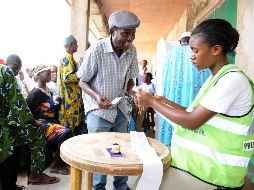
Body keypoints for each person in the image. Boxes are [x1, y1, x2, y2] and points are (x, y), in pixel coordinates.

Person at [137, 19, 254, 189]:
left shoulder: (232, 80)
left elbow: (192, 120)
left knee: (144, 182)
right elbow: (192, 112)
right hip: (200, 167)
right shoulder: (216, 78)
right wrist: (161, 101)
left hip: (216, 173)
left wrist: (152, 103)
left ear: (216, 49)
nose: (191, 56)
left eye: (196, 50)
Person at [77, 10, 140, 190]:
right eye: (125, 33)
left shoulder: (131, 50)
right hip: (99, 111)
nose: (130, 38)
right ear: (112, 30)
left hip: (120, 109)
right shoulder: (96, 50)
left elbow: (131, 80)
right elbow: (82, 81)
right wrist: (97, 97)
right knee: (100, 153)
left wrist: (130, 93)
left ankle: (120, 185)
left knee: (119, 150)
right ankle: (99, 188)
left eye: (133, 34)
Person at [0, 63, 59, 190]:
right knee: (35, 135)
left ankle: (11, 184)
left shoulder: (48, 89)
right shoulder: (4, 72)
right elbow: (19, 106)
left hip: (13, 123)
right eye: (16, 69)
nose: (16, 72)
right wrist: (35, 122)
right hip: (7, 126)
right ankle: (35, 175)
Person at [159, 31, 211, 147]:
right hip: (195, 100)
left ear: (179, 41)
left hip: (172, 98)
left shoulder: (170, 54)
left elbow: (165, 79)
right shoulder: (198, 53)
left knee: (173, 120)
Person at [26, 64, 70, 175]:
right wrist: (36, 123)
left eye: (50, 73)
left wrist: (57, 102)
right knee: (65, 132)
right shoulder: (35, 93)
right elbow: (26, 113)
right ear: (39, 76)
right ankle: (55, 165)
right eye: (47, 74)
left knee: (67, 133)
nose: (50, 75)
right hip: (42, 126)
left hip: (49, 123)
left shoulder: (48, 90)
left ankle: (59, 162)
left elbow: (50, 109)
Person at [58, 35, 82, 134]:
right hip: (70, 101)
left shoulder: (67, 58)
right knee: (71, 130)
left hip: (70, 100)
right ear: (71, 45)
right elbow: (67, 77)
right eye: (76, 44)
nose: (77, 46)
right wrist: (82, 75)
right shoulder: (67, 57)